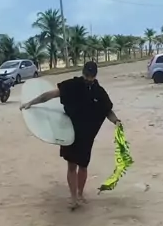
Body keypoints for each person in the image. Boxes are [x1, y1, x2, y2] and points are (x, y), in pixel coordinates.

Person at [20, 61, 122, 209]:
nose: (88, 79)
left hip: (86, 136)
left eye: (91, 77)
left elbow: (107, 110)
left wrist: (116, 121)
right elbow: (50, 95)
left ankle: (80, 194)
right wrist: (31, 103)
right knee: (72, 165)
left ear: (95, 75)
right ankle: (73, 197)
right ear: (83, 73)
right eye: (87, 76)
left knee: (83, 166)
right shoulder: (73, 85)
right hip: (70, 132)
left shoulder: (99, 92)